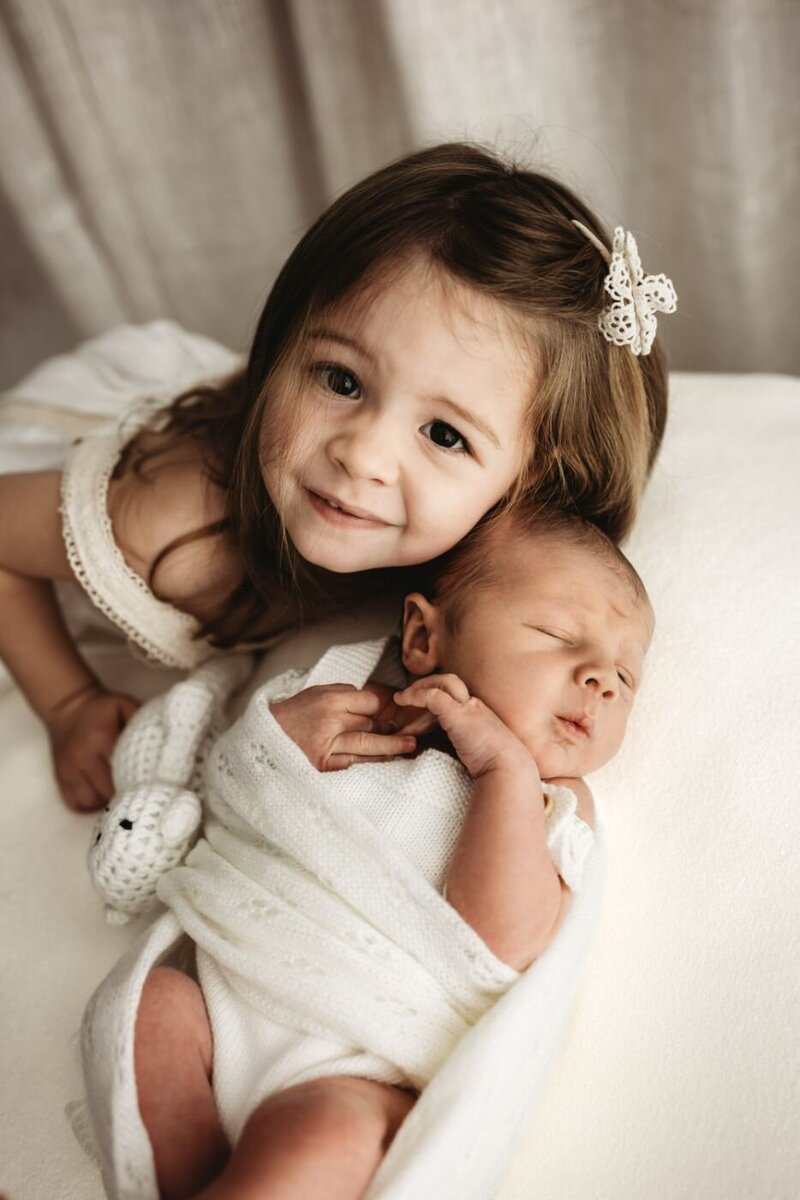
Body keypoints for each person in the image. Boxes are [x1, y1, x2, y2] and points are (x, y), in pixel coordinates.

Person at [0, 142, 673, 811]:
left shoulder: (490, 564)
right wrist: (69, 702)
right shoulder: (176, 531)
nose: (363, 456)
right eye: (341, 379)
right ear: (284, 344)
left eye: (444, 434)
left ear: (525, 488)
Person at [83, 505, 654, 1200]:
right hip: (229, 991)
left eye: (626, 677)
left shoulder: (551, 803)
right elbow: (233, 808)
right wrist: (274, 744)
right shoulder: (346, 701)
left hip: (360, 1062)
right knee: (146, 1007)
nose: (600, 678)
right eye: (558, 635)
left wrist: (504, 769)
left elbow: (502, 939)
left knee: (325, 1135)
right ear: (423, 636)